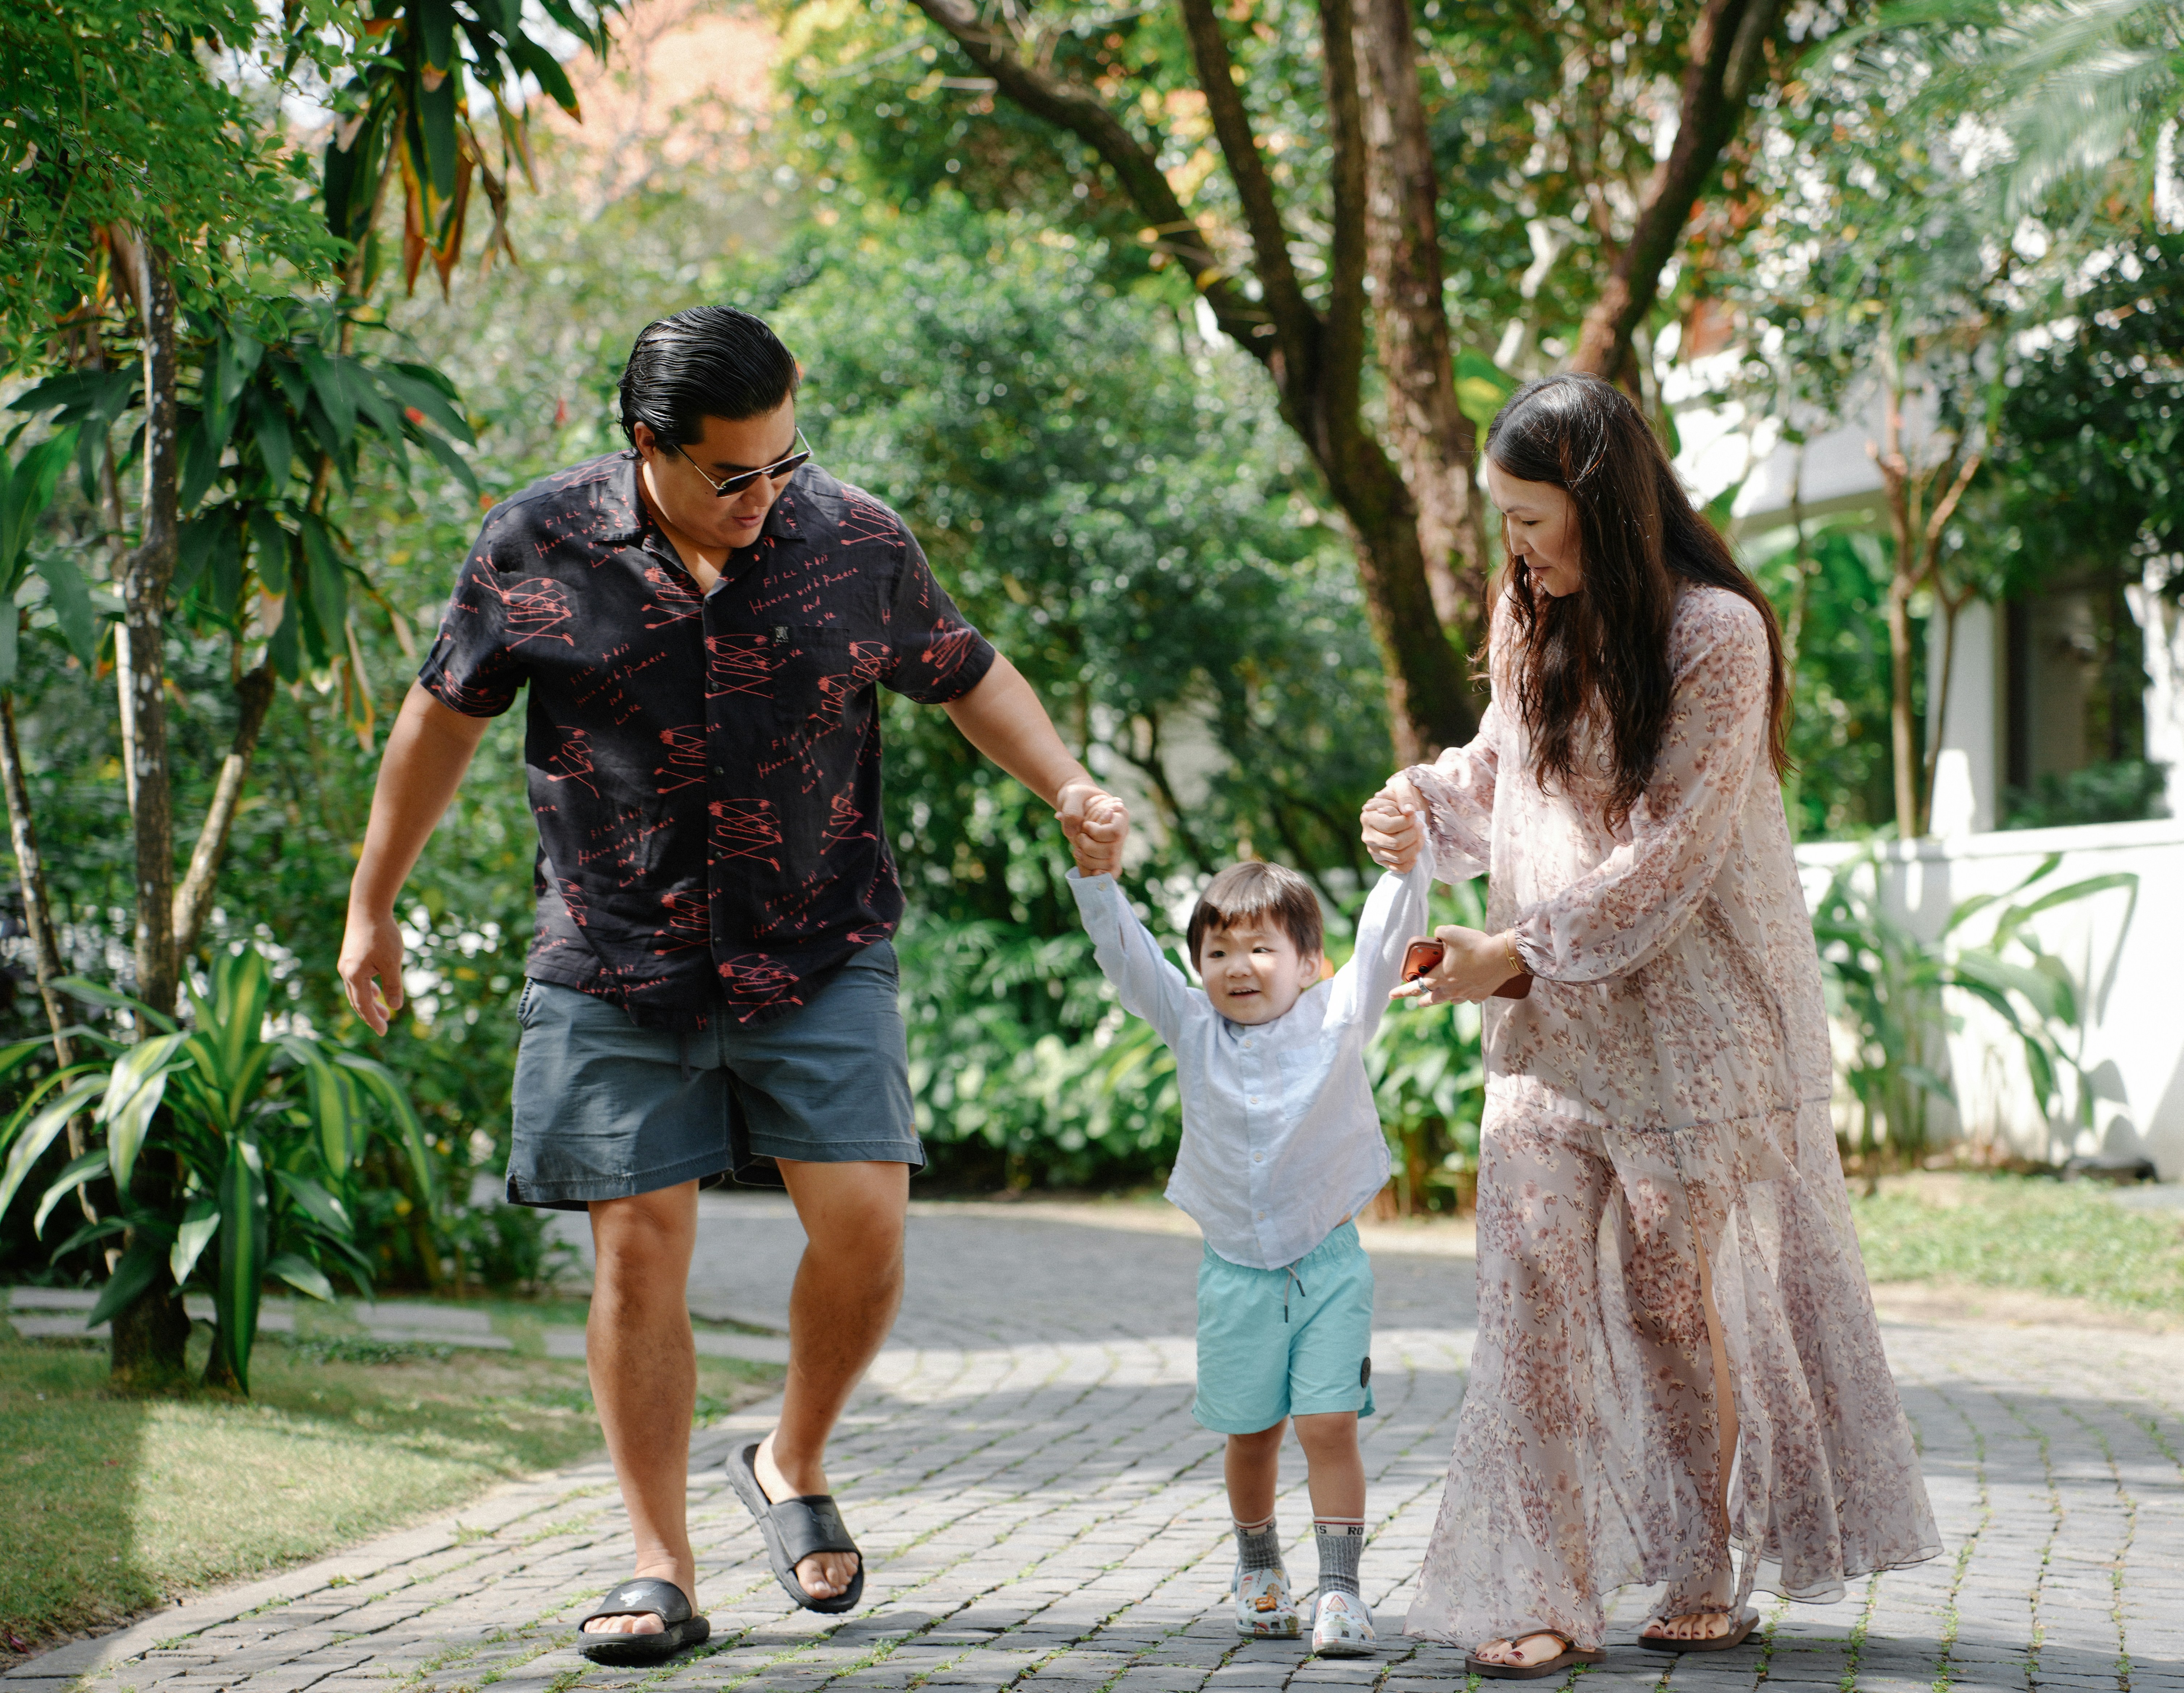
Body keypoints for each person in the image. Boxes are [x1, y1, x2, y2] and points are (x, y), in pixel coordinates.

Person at [336, 306, 1124, 1667]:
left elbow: (964, 671)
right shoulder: (535, 544)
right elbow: (441, 717)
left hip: (818, 941)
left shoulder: (853, 539)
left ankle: (789, 1458)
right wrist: (373, 904)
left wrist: (1066, 784)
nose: (767, 494)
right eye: (732, 473)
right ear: (647, 443)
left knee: (867, 1225)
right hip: (615, 954)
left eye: (785, 460)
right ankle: (660, 1567)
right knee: (638, 1248)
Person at [1360, 373, 1939, 1679]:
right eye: (1505, 520)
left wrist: (1515, 957)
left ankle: (1696, 1573)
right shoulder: (1529, 615)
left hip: (1698, 1026)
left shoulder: (1717, 634)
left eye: (1529, 518)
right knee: (1528, 1302)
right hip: (1552, 1034)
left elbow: (1672, 852)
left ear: (1599, 505)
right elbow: (1498, 772)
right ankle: (1542, 1592)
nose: (1514, 546)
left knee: (1670, 1304)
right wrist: (1415, 802)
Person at [1063, 803, 1431, 1656]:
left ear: (1309, 962)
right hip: (1234, 1270)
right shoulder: (1194, 1027)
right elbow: (1130, 960)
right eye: (1218, 951)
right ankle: (1259, 1565)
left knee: (1328, 1422)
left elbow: (1385, 941)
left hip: (1328, 1264)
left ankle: (1341, 1589)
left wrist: (1407, 864)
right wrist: (1098, 880)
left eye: (1262, 948)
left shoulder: (1339, 1016)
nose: (1238, 966)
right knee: (1252, 1432)